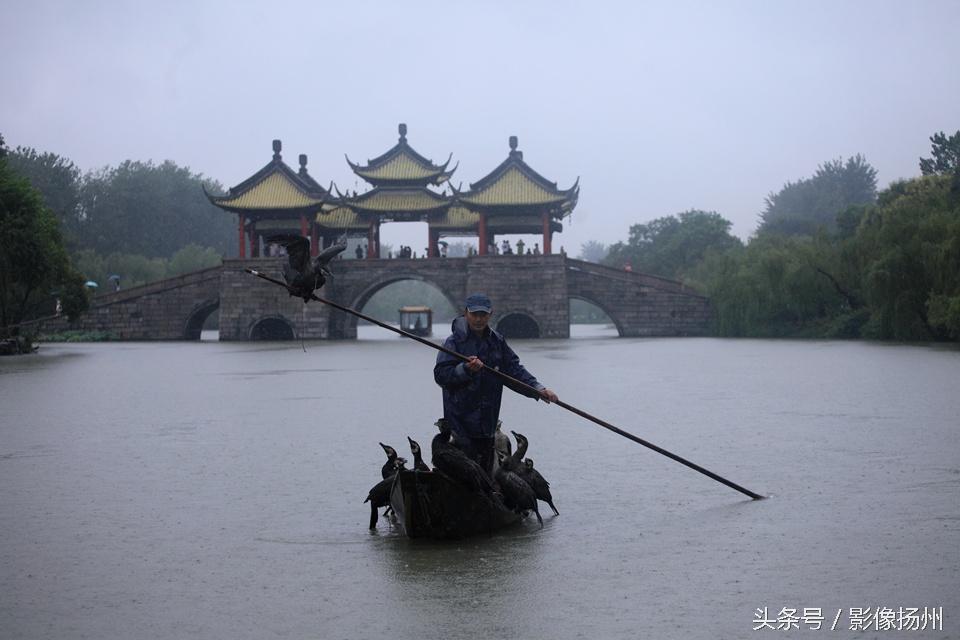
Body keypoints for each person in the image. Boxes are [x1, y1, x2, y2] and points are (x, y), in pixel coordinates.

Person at [434, 293, 558, 476]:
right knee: (465, 476)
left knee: (485, 476)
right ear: (466, 313)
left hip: (487, 423)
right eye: (474, 314)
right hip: (460, 423)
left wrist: (538, 389)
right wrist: (465, 369)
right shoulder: (453, 343)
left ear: (490, 315)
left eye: (483, 315)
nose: (478, 319)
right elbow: (441, 376)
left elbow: (514, 371)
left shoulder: (496, 342)